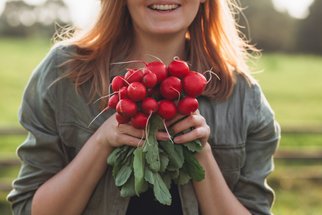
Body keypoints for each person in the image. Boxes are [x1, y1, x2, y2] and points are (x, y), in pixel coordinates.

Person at [7, 0, 280, 214]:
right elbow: (30, 209)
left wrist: (200, 153)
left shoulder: (244, 99)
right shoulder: (63, 74)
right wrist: (102, 141)